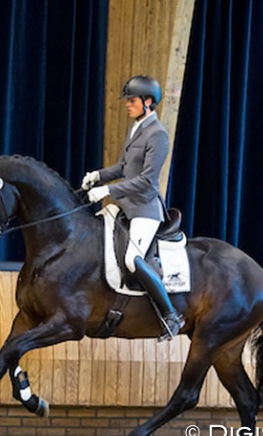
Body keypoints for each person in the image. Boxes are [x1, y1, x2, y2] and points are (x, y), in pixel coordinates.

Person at [81, 75, 184, 341]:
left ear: (148, 102)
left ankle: (171, 315)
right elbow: (123, 168)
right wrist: (98, 175)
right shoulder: (137, 128)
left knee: (131, 259)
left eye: (132, 100)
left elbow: (146, 180)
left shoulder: (158, 134)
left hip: (145, 209)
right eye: (128, 100)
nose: (127, 105)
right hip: (126, 206)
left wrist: (108, 190)